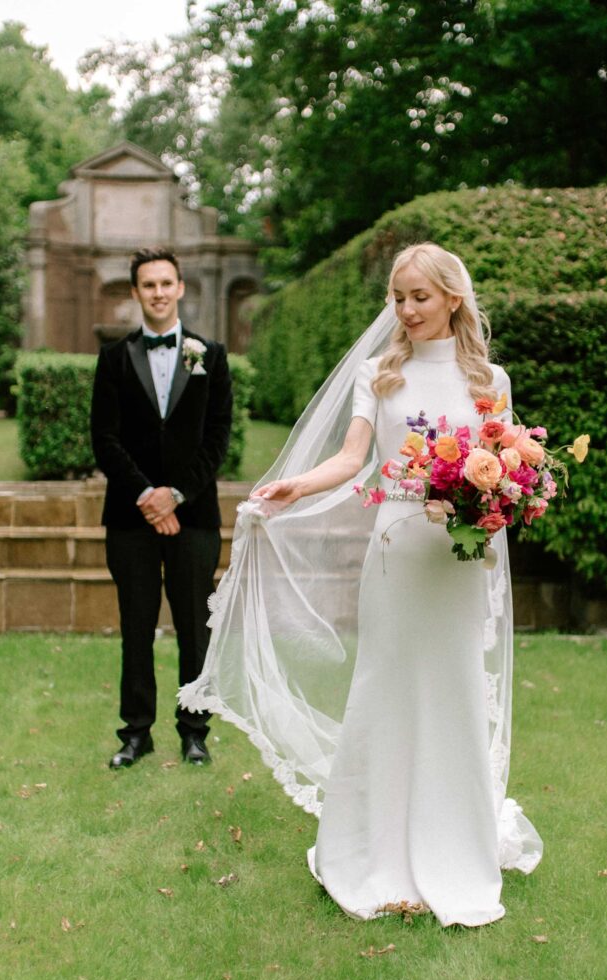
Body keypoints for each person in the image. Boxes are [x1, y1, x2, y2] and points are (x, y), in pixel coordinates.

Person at [180, 242, 542, 926]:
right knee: (386, 690)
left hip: (457, 564)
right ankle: (367, 850)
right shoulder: (378, 374)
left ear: (451, 300)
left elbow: (502, 464)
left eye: (419, 297)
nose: (405, 310)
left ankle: (455, 847)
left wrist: (496, 513)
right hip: (396, 556)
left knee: (455, 693)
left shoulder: (489, 379)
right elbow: (352, 459)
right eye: (397, 298)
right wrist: (291, 487)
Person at [91, 247, 232, 769]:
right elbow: (104, 438)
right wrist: (147, 496)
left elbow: (217, 439)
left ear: (180, 289)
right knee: (136, 625)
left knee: (196, 625)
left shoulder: (209, 356)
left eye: (165, 283)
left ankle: (194, 731)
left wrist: (175, 495)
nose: (157, 292)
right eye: (147, 284)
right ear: (135, 293)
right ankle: (135, 734)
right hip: (130, 517)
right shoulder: (113, 358)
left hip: (193, 515)